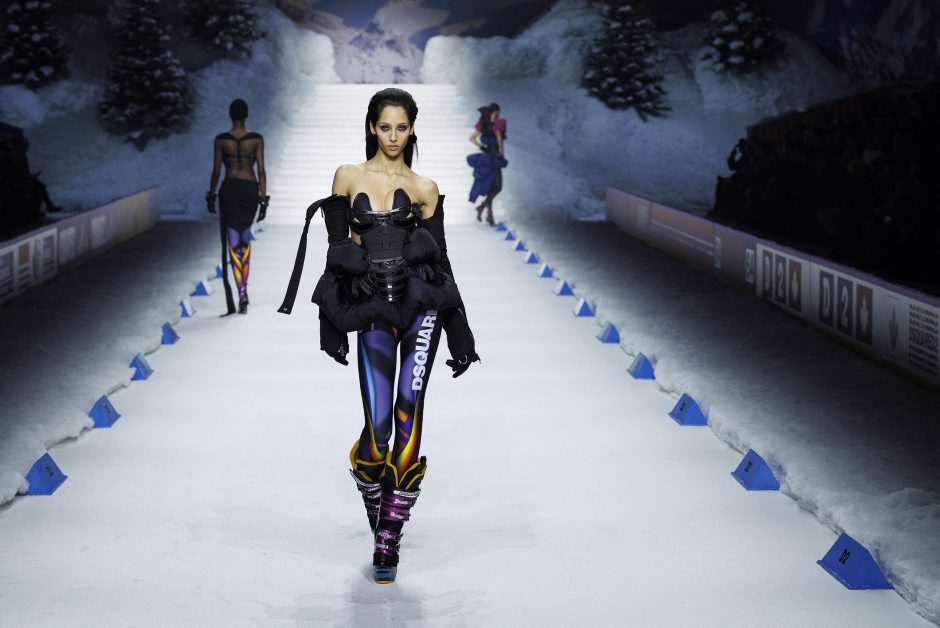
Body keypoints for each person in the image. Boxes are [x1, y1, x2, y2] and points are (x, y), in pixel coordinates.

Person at [277, 87, 479, 584]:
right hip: (371, 307)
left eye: (401, 127)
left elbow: (442, 261)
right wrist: (330, 323)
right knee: (380, 426)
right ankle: (372, 482)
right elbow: (336, 254)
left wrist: (461, 331)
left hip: (421, 306)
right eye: (385, 127)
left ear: (412, 129)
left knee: (409, 413)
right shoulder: (347, 177)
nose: (393, 136)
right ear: (372, 127)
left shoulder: (425, 187)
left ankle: (388, 535)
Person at [206, 98, 268, 314]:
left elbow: (216, 172)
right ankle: (243, 293)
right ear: (246, 115)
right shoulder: (256, 139)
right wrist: (263, 199)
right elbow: (261, 171)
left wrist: (211, 195)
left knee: (234, 244)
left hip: (230, 190)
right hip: (250, 190)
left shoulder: (222, 140)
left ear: (230, 115)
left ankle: (241, 292)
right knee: (244, 240)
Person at [468, 105, 506, 226]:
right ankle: (485, 210)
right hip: (493, 158)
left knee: (493, 187)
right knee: (497, 186)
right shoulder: (495, 124)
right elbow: (499, 141)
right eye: (496, 114)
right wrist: (501, 154)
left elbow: (472, 138)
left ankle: (487, 213)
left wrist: (482, 147)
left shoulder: (484, 124)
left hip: (488, 157)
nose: (497, 116)